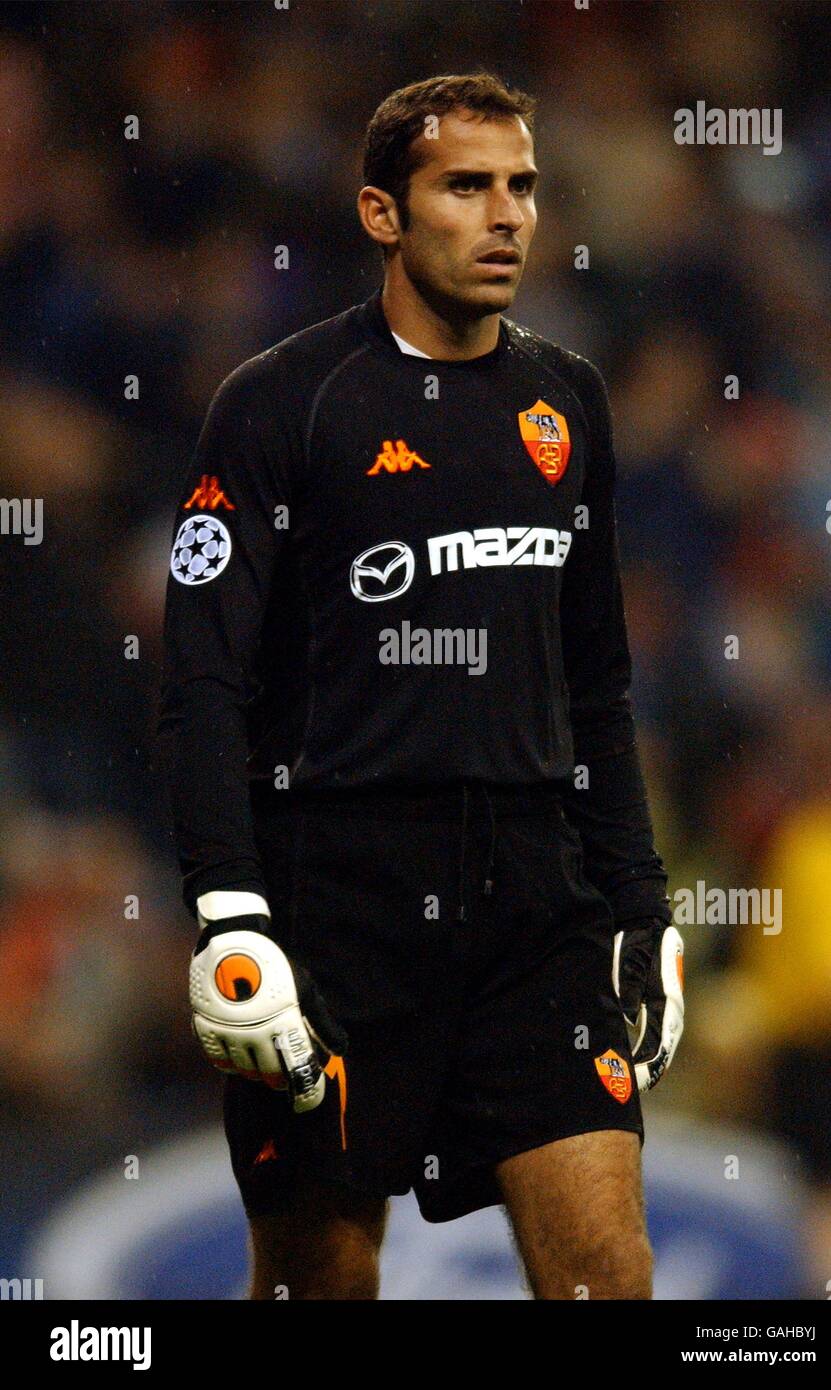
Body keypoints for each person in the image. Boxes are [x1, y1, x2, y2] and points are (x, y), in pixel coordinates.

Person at [157, 70, 684, 1301]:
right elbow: (201, 683)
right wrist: (231, 910)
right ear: (382, 215)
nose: (506, 216)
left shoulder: (569, 403)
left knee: (608, 1272)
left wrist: (638, 903)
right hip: (336, 896)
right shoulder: (282, 402)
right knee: (317, 1281)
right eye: (465, 186)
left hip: (533, 904)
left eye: (522, 187)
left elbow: (596, 686)